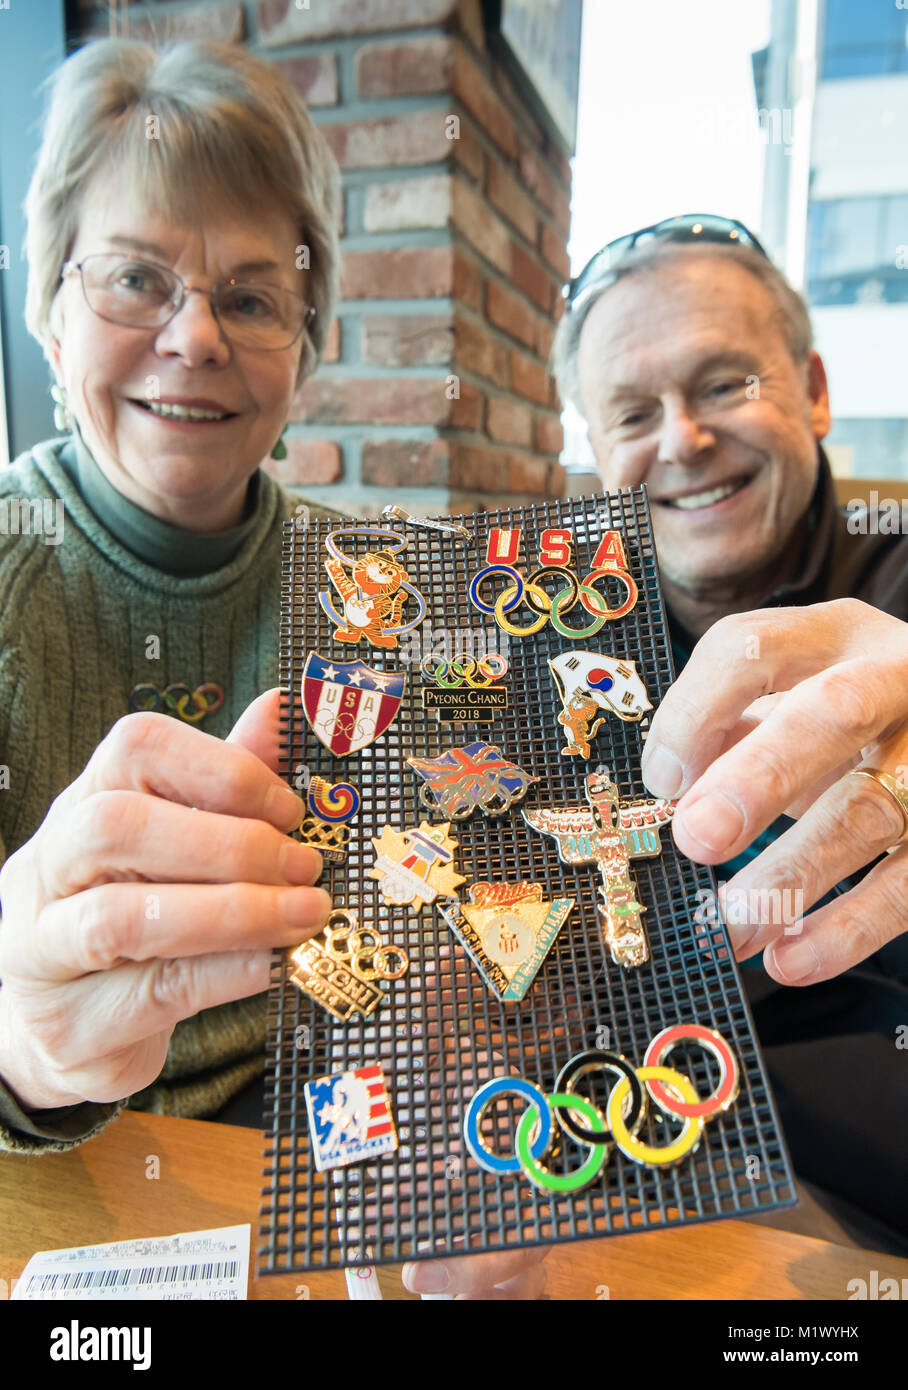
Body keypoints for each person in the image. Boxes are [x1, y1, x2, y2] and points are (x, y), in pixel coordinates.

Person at [0, 37, 546, 1300]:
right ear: (46, 306)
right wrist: (22, 1050)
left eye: (250, 297)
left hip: (328, 1177)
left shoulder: (388, 594)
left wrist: (479, 1072)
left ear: (305, 350)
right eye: (136, 278)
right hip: (49, 1177)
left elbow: (465, 933)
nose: (193, 337)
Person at [552, 213, 908, 1251]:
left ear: (814, 389)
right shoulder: (549, 652)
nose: (679, 439)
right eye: (630, 410)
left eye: (720, 385)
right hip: (623, 1189)